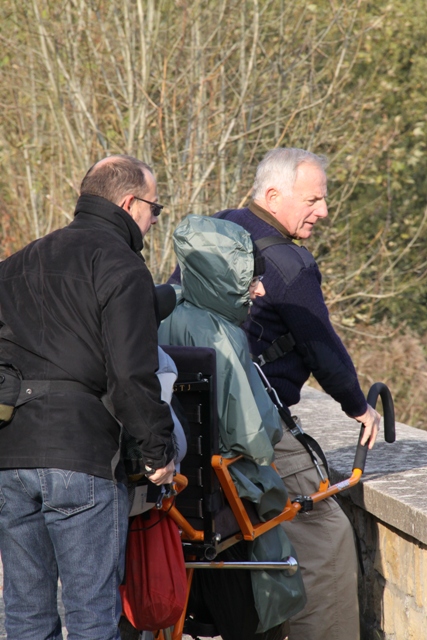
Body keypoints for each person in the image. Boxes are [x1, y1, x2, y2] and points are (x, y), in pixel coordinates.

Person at [184, 147, 381, 640]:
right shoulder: (288, 262)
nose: (324, 211)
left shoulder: (217, 232)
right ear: (273, 195)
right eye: (313, 199)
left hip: (194, 426)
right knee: (326, 538)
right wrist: (358, 407)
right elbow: (321, 346)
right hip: (248, 424)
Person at [0, 155, 176, 640]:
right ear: (129, 202)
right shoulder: (123, 266)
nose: (155, 220)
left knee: (25, 615)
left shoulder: (15, 264)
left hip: (11, 457)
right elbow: (131, 375)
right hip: (83, 459)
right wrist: (158, 451)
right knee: (91, 615)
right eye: (155, 209)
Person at [159, 214, 306, 640]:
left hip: (169, 494)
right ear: (223, 277)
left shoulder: (156, 313)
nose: (259, 291)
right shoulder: (224, 335)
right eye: (250, 279)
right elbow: (257, 438)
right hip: (220, 498)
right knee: (270, 544)